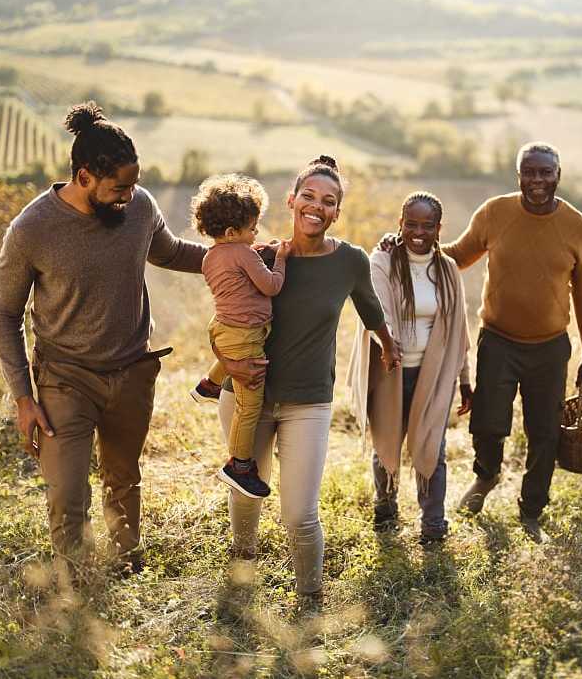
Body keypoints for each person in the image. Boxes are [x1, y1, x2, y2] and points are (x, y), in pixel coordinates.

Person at [0, 101, 207, 573]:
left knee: (123, 477)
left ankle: (126, 565)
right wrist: (23, 398)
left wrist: (238, 256)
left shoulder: (140, 205)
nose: (130, 196)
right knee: (68, 491)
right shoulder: (31, 229)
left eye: (133, 185)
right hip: (65, 378)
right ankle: (75, 586)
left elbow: (169, 252)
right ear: (84, 176)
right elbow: (5, 314)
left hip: (131, 371)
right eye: (119, 187)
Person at [214, 155, 401, 601]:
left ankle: (310, 600)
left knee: (300, 514)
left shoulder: (350, 261)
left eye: (329, 201)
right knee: (246, 490)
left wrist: (389, 346)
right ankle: (242, 576)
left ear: (337, 212)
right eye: (310, 196)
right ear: (292, 200)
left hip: (309, 402)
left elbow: (370, 309)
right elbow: (225, 321)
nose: (317, 206)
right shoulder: (258, 257)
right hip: (247, 397)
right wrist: (227, 362)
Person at [434, 142, 582, 542]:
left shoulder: (576, 226)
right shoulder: (495, 213)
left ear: (558, 176)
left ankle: (532, 510)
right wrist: (412, 247)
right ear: (518, 175)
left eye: (545, 172)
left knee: (545, 433)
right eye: (530, 172)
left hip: (550, 347)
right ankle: (486, 476)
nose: (537, 180)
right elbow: (458, 255)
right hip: (499, 341)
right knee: (488, 422)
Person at [348, 191, 473, 546]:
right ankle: (385, 508)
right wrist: (391, 347)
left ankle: (433, 522)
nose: (419, 232)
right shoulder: (383, 261)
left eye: (427, 225)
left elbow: (459, 328)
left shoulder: (447, 269)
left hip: (432, 375)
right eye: (411, 224)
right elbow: (378, 311)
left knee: (433, 445)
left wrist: (464, 379)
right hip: (391, 370)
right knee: (386, 443)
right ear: (400, 224)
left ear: (438, 228)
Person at [189, 173, 290, 499]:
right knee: (249, 406)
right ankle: (239, 465)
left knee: (230, 353)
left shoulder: (210, 256)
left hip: (222, 328)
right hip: (245, 338)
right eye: (251, 229)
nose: (256, 233)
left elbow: (237, 273)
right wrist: (282, 260)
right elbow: (270, 285)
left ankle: (209, 385)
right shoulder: (244, 254)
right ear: (232, 232)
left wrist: (254, 250)